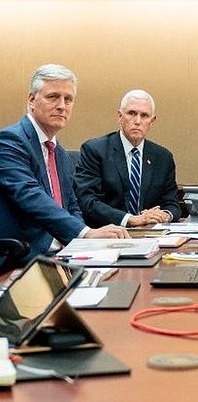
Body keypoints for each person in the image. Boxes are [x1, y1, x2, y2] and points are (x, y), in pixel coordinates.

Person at [0, 64, 128, 269]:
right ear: (31, 100)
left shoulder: (60, 152)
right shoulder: (9, 141)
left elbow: (71, 205)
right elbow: (31, 196)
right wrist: (84, 233)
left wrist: (81, 243)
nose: (62, 105)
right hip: (23, 261)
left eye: (68, 99)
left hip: (63, 256)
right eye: (53, 97)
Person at [75, 89, 180, 228]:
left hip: (149, 235)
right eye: (131, 113)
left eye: (144, 116)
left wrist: (164, 215)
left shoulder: (163, 157)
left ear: (152, 121)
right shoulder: (95, 150)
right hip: (107, 234)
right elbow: (87, 201)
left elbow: (172, 203)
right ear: (120, 116)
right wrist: (130, 219)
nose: (137, 121)